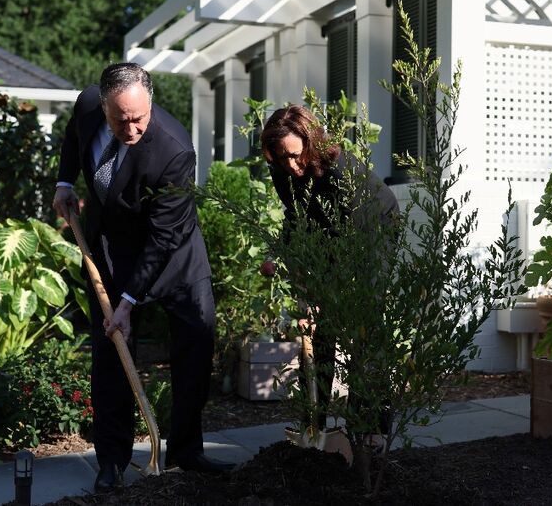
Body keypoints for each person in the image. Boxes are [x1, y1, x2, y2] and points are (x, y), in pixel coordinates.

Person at [53, 63, 233, 492]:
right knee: (112, 354)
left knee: (195, 343)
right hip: (112, 252)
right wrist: (64, 182)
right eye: (121, 120)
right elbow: (73, 140)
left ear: (149, 104)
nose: (132, 128)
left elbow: (164, 234)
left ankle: (187, 452)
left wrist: (130, 302)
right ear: (103, 105)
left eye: (140, 117)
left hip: (173, 256)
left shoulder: (174, 150)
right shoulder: (85, 107)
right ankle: (111, 461)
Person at [259, 104, 399, 435]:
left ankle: (367, 423)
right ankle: (315, 420)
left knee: (364, 319)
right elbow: (296, 226)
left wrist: (330, 290)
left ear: (310, 143)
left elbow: (349, 239)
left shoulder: (337, 171)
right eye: (282, 158)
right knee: (320, 331)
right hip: (327, 228)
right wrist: (305, 290)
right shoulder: (282, 169)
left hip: (372, 226)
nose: (291, 165)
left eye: (295, 155)